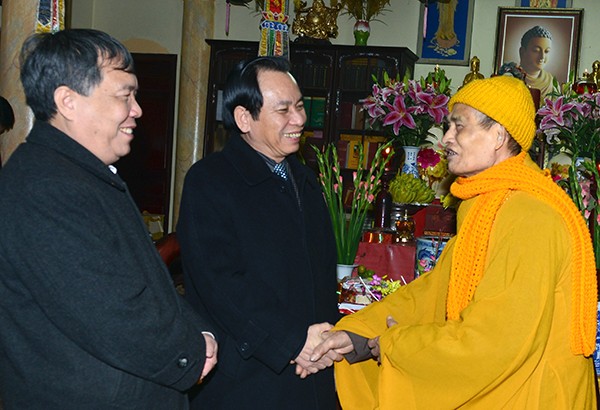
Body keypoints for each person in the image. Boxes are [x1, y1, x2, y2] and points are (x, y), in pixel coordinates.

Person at [311, 76, 598, 409]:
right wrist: (358, 333)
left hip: (534, 394)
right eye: (448, 126)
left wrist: (397, 344)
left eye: (458, 126)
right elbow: (435, 291)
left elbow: (496, 341)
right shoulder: (487, 204)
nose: (446, 138)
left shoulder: (530, 216)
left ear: (498, 135)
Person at [0, 29, 217, 409]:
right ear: (68, 101)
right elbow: (113, 313)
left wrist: (199, 332)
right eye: (124, 95)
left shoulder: (81, 172)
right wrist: (190, 353)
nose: (137, 110)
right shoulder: (45, 187)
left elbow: (144, 282)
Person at [177, 56, 340, 409]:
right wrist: (293, 342)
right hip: (249, 377)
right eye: (283, 110)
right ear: (244, 118)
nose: (299, 119)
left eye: (299, 106)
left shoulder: (304, 180)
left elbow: (322, 273)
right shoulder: (210, 181)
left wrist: (325, 342)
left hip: (311, 369)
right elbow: (220, 282)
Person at [518, 25, 555, 99]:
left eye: (547, 51)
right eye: (536, 51)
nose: (542, 57)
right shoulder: (512, 76)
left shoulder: (550, 81)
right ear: (522, 52)